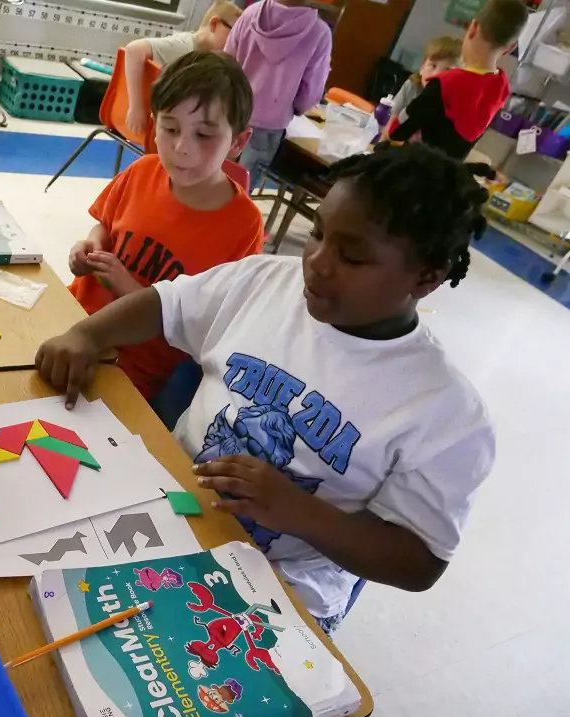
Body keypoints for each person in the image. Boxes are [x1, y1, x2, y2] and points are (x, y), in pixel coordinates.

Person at [38, 143, 496, 633]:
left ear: (427, 277)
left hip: (278, 591)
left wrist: (299, 511)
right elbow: (166, 304)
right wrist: (87, 334)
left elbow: (420, 562)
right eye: (317, 235)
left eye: (353, 257)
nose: (317, 262)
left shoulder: (445, 411)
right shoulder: (264, 281)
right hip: (164, 509)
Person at [68, 50, 263, 403]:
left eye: (204, 135)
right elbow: (104, 227)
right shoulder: (143, 171)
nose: (181, 147)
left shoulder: (243, 225)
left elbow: (203, 327)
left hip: (130, 366)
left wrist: (129, 287)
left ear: (238, 142)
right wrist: (90, 246)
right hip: (71, 317)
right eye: (170, 128)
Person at [390, 0, 529, 159]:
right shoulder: (500, 87)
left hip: (414, 168)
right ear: (510, 48)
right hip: (447, 176)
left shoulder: (445, 83)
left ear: (473, 28)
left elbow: (397, 132)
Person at [224, 0, 332, 190]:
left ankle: (199, 217)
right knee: (241, 190)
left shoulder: (251, 13)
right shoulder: (319, 33)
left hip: (231, 113)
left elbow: (225, 63)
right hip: (269, 126)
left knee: (212, 177)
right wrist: (295, 107)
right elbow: (310, 91)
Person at [124, 1, 242, 134]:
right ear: (214, 24)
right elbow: (133, 50)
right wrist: (136, 108)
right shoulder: (185, 45)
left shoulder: (207, 57)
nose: (236, 43)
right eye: (234, 34)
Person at [380, 36, 462, 140]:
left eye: (447, 70)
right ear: (422, 67)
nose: (436, 74)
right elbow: (390, 124)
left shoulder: (453, 103)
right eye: (433, 66)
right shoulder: (411, 86)